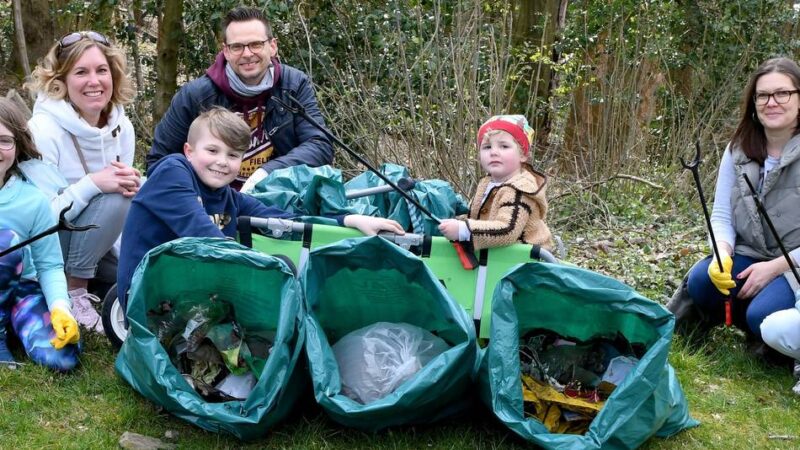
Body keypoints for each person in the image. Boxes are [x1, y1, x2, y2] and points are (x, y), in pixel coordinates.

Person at [118, 107, 402, 307]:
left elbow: (286, 220)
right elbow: (201, 233)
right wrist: (264, 267)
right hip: (148, 295)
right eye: (212, 150)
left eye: (233, 155)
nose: (222, 162)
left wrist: (348, 221)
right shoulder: (173, 172)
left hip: (197, 292)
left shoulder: (229, 198)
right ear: (189, 151)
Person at [670, 57, 800, 392]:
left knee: (763, 314)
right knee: (702, 281)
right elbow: (722, 215)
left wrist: (774, 268)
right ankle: (729, 326)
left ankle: (769, 340)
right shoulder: (738, 149)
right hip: (749, 253)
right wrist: (722, 253)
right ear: (753, 102)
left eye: (783, 93)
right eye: (763, 95)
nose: (771, 102)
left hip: (794, 267)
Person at [24, 30, 141, 334]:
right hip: (45, 248)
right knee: (117, 195)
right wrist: (93, 184)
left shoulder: (123, 127)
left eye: (102, 70)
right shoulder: (42, 130)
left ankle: (91, 282)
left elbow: (116, 215)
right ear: (61, 81)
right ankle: (73, 293)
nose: (94, 81)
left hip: (95, 247)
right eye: (81, 72)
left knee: (139, 274)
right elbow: (37, 221)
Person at [146, 6, 333, 192]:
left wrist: (267, 172)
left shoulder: (293, 85)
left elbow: (320, 145)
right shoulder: (196, 95)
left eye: (256, 44)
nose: (247, 54)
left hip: (277, 196)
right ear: (226, 51)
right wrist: (194, 196)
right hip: (211, 201)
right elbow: (159, 161)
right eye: (237, 47)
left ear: (272, 46)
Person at [0, 98, 81, 370]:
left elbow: (49, 265)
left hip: (22, 291)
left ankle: (14, 322)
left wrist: (60, 308)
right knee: (5, 242)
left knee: (61, 356)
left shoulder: (33, 200)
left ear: (17, 146)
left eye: (4, 140)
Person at [438, 115, 553, 250]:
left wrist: (464, 229)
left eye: (504, 146)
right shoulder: (486, 183)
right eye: (487, 147)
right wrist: (455, 222)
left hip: (526, 257)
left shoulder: (520, 188)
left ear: (523, 155)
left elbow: (507, 230)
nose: (493, 152)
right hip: (496, 256)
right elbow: (475, 217)